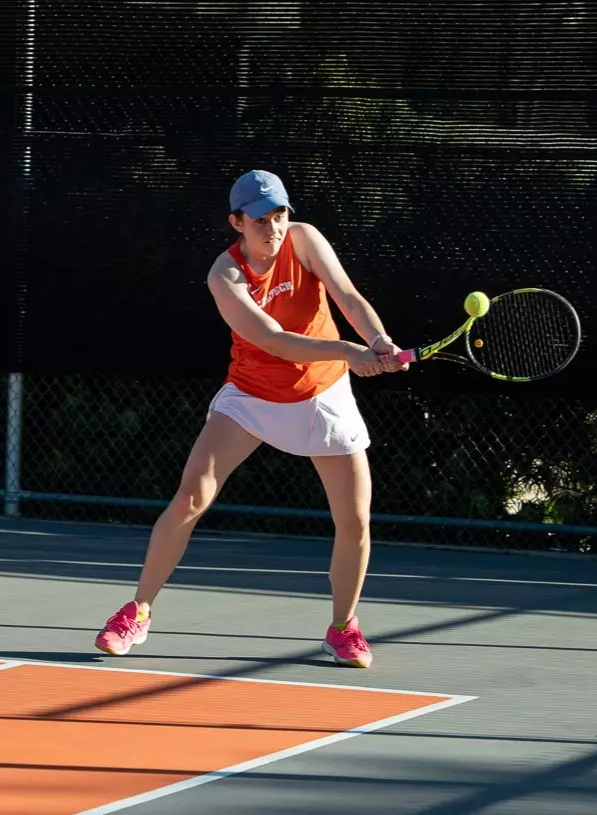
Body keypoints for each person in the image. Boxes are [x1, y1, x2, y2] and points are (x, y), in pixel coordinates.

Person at [94, 169, 407, 668]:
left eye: (280, 214)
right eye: (260, 219)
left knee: (355, 520)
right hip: (252, 396)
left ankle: (343, 628)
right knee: (191, 495)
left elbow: (348, 296)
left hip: (324, 393)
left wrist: (379, 341)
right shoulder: (225, 275)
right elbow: (273, 339)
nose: (274, 227)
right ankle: (138, 610)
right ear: (236, 222)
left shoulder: (305, 240)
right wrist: (349, 350)